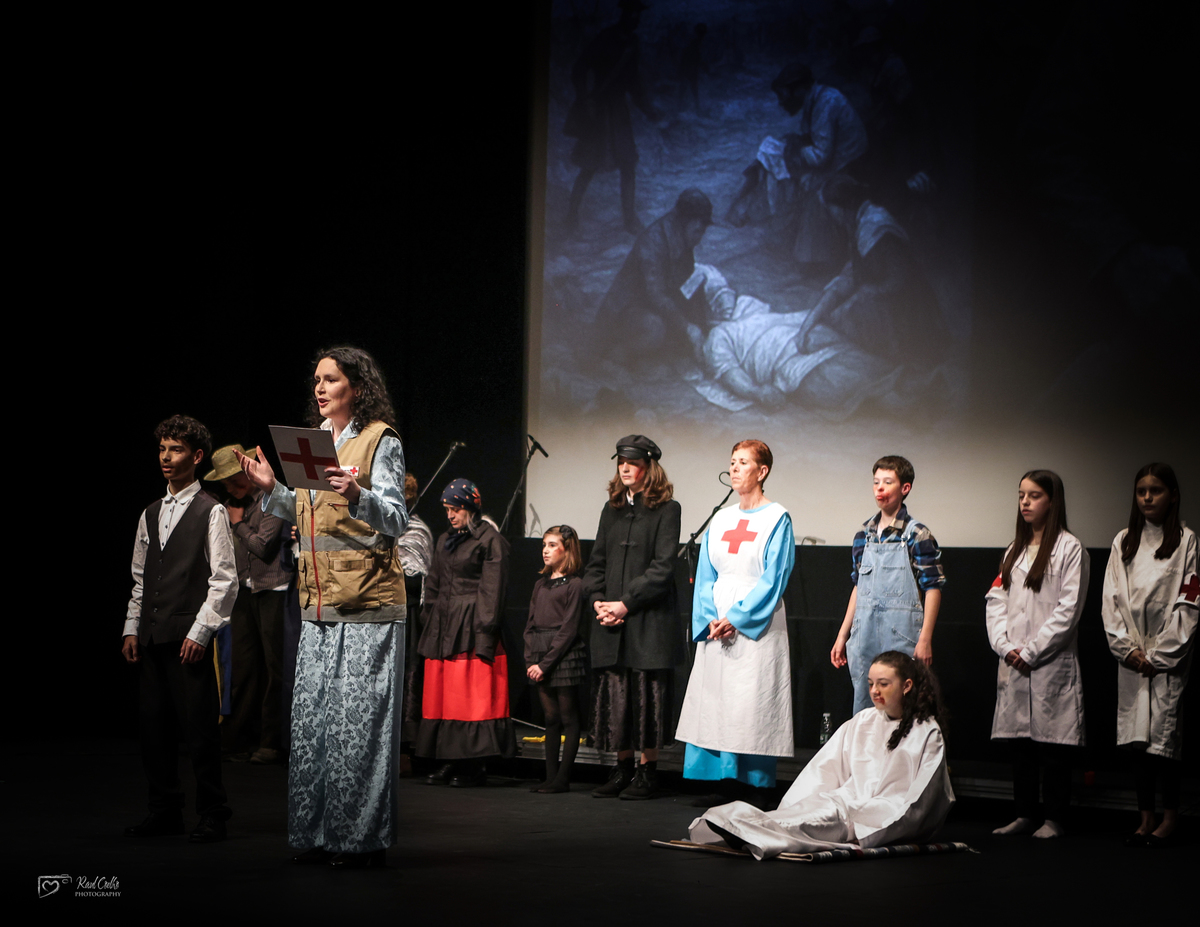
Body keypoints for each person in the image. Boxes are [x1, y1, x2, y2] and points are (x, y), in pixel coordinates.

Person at [238, 346, 408, 869]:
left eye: (330, 379)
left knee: (358, 727)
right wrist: (273, 490)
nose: (319, 388)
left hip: (366, 603)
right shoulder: (315, 443)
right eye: (316, 379)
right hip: (317, 604)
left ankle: (360, 842)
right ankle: (319, 834)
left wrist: (359, 495)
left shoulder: (379, 439)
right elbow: (309, 513)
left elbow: (396, 518)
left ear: (357, 386)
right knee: (314, 726)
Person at [687, 651, 954, 859]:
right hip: (848, 802)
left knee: (820, 822)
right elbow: (825, 767)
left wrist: (871, 832)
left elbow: (923, 797)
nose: (874, 691)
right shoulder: (864, 720)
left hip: (878, 815)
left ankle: (746, 828)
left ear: (907, 686)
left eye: (883, 684)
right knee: (810, 811)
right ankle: (744, 826)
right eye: (871, 683)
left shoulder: (925, 731)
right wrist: (799, 801)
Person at [123, 415, 238, 843]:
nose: (166, 457)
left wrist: (200, 631)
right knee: (154, 729)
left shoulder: (211, 510)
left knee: (200, 731)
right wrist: (131, 626)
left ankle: (213, 813)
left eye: (176, 449)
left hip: (188, 637)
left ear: (197, 456)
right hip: (153, 636)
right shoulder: (150, 513)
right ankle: (164, 810)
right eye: (162, 449)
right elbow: (141, 578)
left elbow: (224, 580)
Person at [675, 439, 795, 806]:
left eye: (744, 462)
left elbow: (774, 577)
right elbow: (706, 575)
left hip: (756, 621)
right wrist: (711, 618)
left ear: (762, 471)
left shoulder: (777, 518)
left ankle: (755, 784)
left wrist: (738, 618)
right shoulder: (722, 518)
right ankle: (722, 780)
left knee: (751, 700)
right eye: (733, 461)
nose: (735, 468)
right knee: (717, 699)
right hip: (717, 618)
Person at [684, 263, 940, 419]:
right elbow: (728, 372)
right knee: (845, 381)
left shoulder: (748, 306)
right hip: (788, 366)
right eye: (716, 299)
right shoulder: (717, 337)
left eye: (725, 294)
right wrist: (757, 392)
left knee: (861, 362)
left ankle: (914, 387)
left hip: (809, 340)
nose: (724, 301)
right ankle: (908, 407)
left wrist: (809, 329)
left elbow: (780, 320)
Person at [986, 469, 1089, 839]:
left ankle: (1054, 819)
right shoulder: (1013, 550)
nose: (1025, 502)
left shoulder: (1070, 549)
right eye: (1021, 495)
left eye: (1034, 495)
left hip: (1048, 661)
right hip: (1015, 660)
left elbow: (1068, 610)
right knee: (1021, 746)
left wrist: (1031, 651)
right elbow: (995, 602)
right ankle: (1024, 815)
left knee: (1052, 746)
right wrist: (1005, 646)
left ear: (1052, 500)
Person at [1101, 463, 1197, 847]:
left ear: (1172, 495)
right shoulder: (1124, 540)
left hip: (1165, 656)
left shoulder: (1186, 541)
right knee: (1137, 738)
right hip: (1134, 653)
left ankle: (1170, 815)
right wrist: (1128, 650)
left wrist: (1162, 654)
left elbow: (1189, 599)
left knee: (1165, 738)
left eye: (1155, 490)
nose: (1147, 497)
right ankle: (1145, 815)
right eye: (1141, 491)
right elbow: (1111, 599)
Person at [583, 435, 682, 800]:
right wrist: (597, 602)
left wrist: (625, 604)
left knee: (646, 696)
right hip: (610, 620)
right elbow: (596, 563)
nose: (624, 468)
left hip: (647, 620)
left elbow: (662, 568)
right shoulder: (611, 509)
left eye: (632, 462)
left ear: (648, 467)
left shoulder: (667, 510)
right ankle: (621, 768)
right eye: (620, 462)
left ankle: (647, 771)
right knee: (617, 695)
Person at [416, 479, 515, 786]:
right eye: (447, 509)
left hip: (471, 625)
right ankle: (450, 758)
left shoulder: (490, 540)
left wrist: (485, 632)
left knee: (469, 696)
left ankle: (473, 764)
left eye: (456, 509)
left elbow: (492, 591)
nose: (450, 515)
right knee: (445, 697)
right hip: (444, 626)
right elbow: (434, 583)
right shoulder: (446, 539)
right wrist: (429, 618)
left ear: (470, 508)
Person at [794, 174, 948, 370]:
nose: (832, 216)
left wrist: (861, 298)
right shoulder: (860, 225)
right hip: (884, 299)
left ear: (844, 206)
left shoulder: (875, 229)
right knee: (835, 319)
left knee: (846, 332)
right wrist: (807, 324)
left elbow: (898, 280)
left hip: (906, 311)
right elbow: (848, 277)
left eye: (832, 209)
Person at [831, 455, 945, 714]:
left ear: (905, 488)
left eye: (887, 482)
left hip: (902, 636)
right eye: (876, 482)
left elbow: (933, 587)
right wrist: (842, 635)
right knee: (865, 706)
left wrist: (925, 638)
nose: (880, 488)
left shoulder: (917, 535)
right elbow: (858, 586)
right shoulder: (864, 535)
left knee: (903, 706)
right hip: (865, 635)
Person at [726, 62, 867, 269]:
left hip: (850, 165)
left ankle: (816, 259)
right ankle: (744, 209)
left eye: (784, 95)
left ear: (799, 89)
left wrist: (794, 151)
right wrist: (796, 143)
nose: (782, 102)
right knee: (770, 158)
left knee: (805, 187)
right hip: (835, 161)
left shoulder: (826, 102)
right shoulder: (815, 101)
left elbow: (820, 156)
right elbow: (815, 141)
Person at [203, 443, 290, 765]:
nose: (229, 486)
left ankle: (270, 741)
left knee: (273, 667)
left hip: (272, 589)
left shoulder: (271, 500)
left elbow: (263, 546)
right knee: (242, 666)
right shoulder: (230, 506)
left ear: (248, 471)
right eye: (224, 482)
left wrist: (238, 524)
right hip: (243, 590)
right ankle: (238, 738)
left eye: (232, 479)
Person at [591, 188, 714, 367]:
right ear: (686, 222)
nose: (699, 238)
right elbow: (655, 294)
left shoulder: (682, 238)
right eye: (697, 231)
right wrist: (687, 328)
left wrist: (701, 328)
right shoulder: (653, 242)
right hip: (626, 311)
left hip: (654, 306)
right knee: (654, 329)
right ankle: (615, 353)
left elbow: (688, 286)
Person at [564, 0, 657, 234]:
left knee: (628, 164)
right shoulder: (605, 38)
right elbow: (579, 68)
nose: (635, 19)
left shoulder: (632, 43)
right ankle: (571, 216)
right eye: (632, 14)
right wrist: (584, 98)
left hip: (619, 113)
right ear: (624, 14)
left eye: (638, 15)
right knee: (589, 166)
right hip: (599, 111)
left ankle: (629, 220)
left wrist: (647, 109)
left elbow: (633, 81)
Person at [524, 525, 588, 793]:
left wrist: (545, 663)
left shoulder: (575, 585)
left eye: (552, 545)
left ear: (567, 549)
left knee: (568, 717)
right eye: (544, 545)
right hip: (539, 654)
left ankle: (563, 778)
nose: (545, 551)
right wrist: (531, 660)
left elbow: (569, 628)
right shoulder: (540, 584)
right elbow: (530, 624)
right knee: (550, 718)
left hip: (563, 656)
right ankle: (550, 777)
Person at [397, 473, 435, 771]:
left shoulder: (417, 529)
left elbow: (417, 576)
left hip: (408, 615)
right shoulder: (377, 525)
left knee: (408, 678)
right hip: (381, 612)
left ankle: (406, 748)